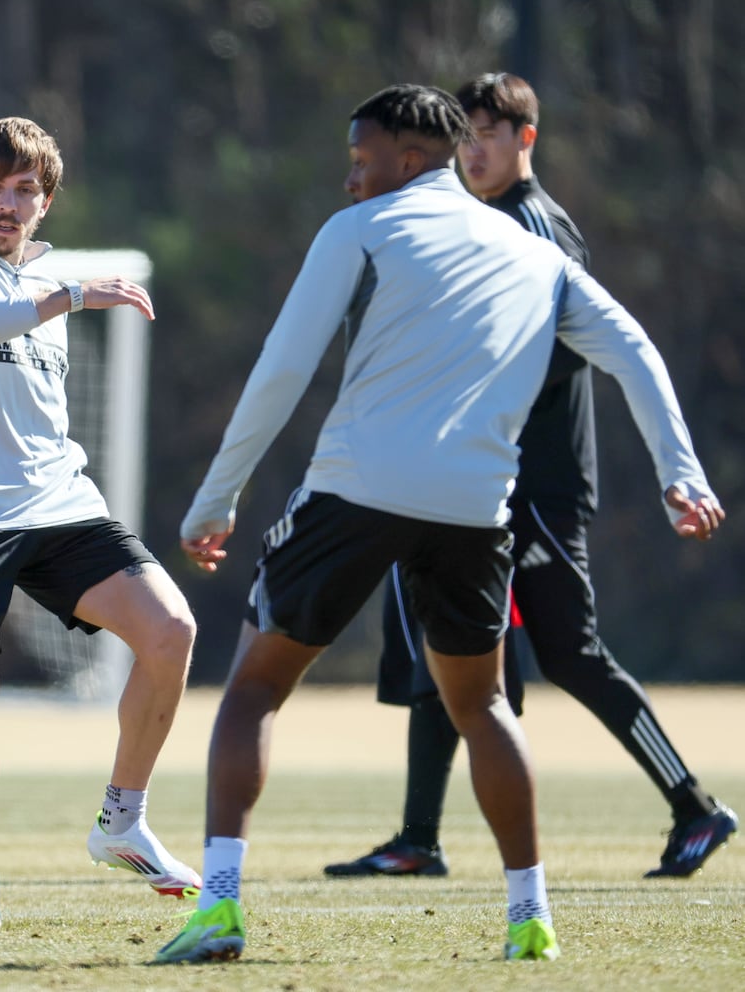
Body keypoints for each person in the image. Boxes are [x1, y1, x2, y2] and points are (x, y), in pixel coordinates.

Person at [154, 84, 725, 966]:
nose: (349, 179)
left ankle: (220, 909)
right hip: (473, 514)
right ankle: (529, 919)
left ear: (410, 159)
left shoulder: (361, 231)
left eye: (360, 159)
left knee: (255, 690)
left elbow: (281, 369)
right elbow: (635, 350)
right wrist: (679, 475)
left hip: (356, 495)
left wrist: (215, 498)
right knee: (486, 705)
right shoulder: (536, 256)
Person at [324, 73, 737, 882]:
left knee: (570, 652)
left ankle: (695, 806)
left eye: (490, 133)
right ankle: (418, 838)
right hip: (478, 481)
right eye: (464, 135)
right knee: (450, 642)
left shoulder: (534, 226)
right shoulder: (473, 222)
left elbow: (550, 352)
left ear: (526, 140)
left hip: (531, 482)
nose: (475, 149)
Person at [0, 116, 200, 930]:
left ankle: (123, 821)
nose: (8, 201)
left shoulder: (53, 277)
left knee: (172, 630)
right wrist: (71, 295)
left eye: (25, 188)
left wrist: (63, 292)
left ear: (46, 201)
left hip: (64, 502)